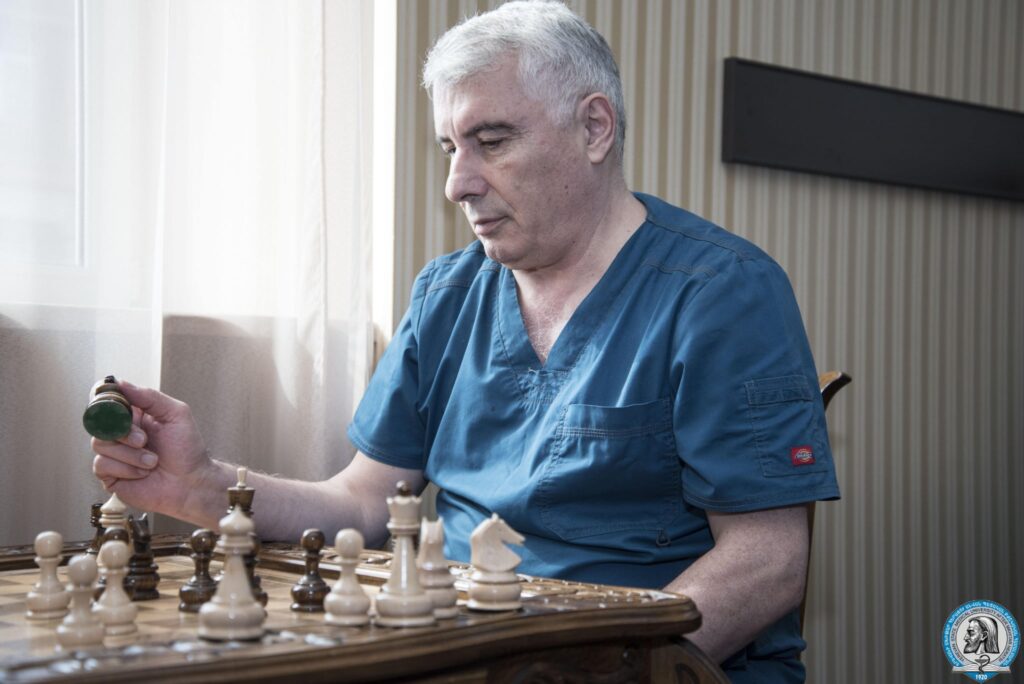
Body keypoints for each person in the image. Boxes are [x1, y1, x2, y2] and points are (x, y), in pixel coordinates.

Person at [92, 2, 839, 681]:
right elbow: (365, 503)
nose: (457, 182)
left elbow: (768, 562)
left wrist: (599, 672)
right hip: (467, 654)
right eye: (450, 146)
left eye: (491, 141)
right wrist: (201, 485)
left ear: (594, 129)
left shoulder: (722, 293)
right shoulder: (447, 294)